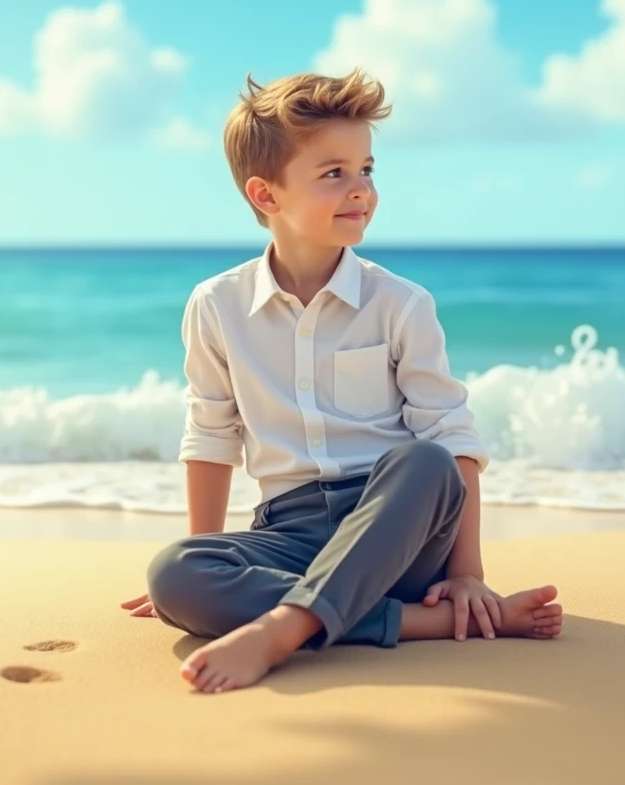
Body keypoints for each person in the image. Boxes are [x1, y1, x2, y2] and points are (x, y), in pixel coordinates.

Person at [120, 69, 563, 694]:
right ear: (266, 195)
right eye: (335, 173)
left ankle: (279, 630)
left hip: (397, 532)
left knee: (426, 461)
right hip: (288, 533)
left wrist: (468, 575)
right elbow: (211, 435)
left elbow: (453, 439)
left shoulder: (401, 303)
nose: (361, 190)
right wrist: (208, 559)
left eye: (368, 170)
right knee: (175, 573)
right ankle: (419, 625)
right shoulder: (215, 305)